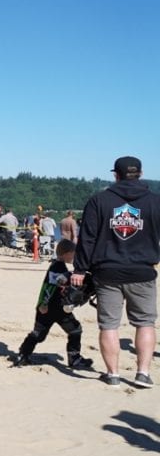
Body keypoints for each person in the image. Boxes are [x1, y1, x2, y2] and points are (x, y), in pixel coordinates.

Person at [72, 156, 160, 389]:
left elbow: (87, 239)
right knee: (145, 323)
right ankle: (143, 373)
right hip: (143, 271)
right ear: (140, 174)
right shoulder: (155, 201)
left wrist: (79, 269)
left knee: (109, 325)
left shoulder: (99, 201)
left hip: (107, 271)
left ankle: (113, 375)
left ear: (116, 175)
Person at [14, 239, 93, 369]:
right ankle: (74, 358)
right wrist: (43, 303)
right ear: (66, 253)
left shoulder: (58, 266)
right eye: (73, 254)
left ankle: (23, 354)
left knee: (40, 334)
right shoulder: (58, 267)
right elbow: (49, 287)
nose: (74, 256)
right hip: (52, 308)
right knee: (74, 330)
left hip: (53, 308)